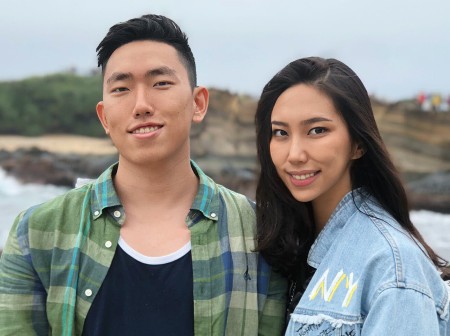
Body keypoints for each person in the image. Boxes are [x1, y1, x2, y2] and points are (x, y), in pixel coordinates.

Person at [0, 14, 287, 335]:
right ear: (104, 117)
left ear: (198, 103)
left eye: (160, 83)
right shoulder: (37, 233)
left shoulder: (260, 233)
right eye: (121, 88)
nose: (141, 105)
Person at [254, 57, 450, 335]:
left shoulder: (391, 267)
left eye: (317, 130)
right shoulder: (285, 243)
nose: (294, 154)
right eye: (281, 133)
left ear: (357, 143)